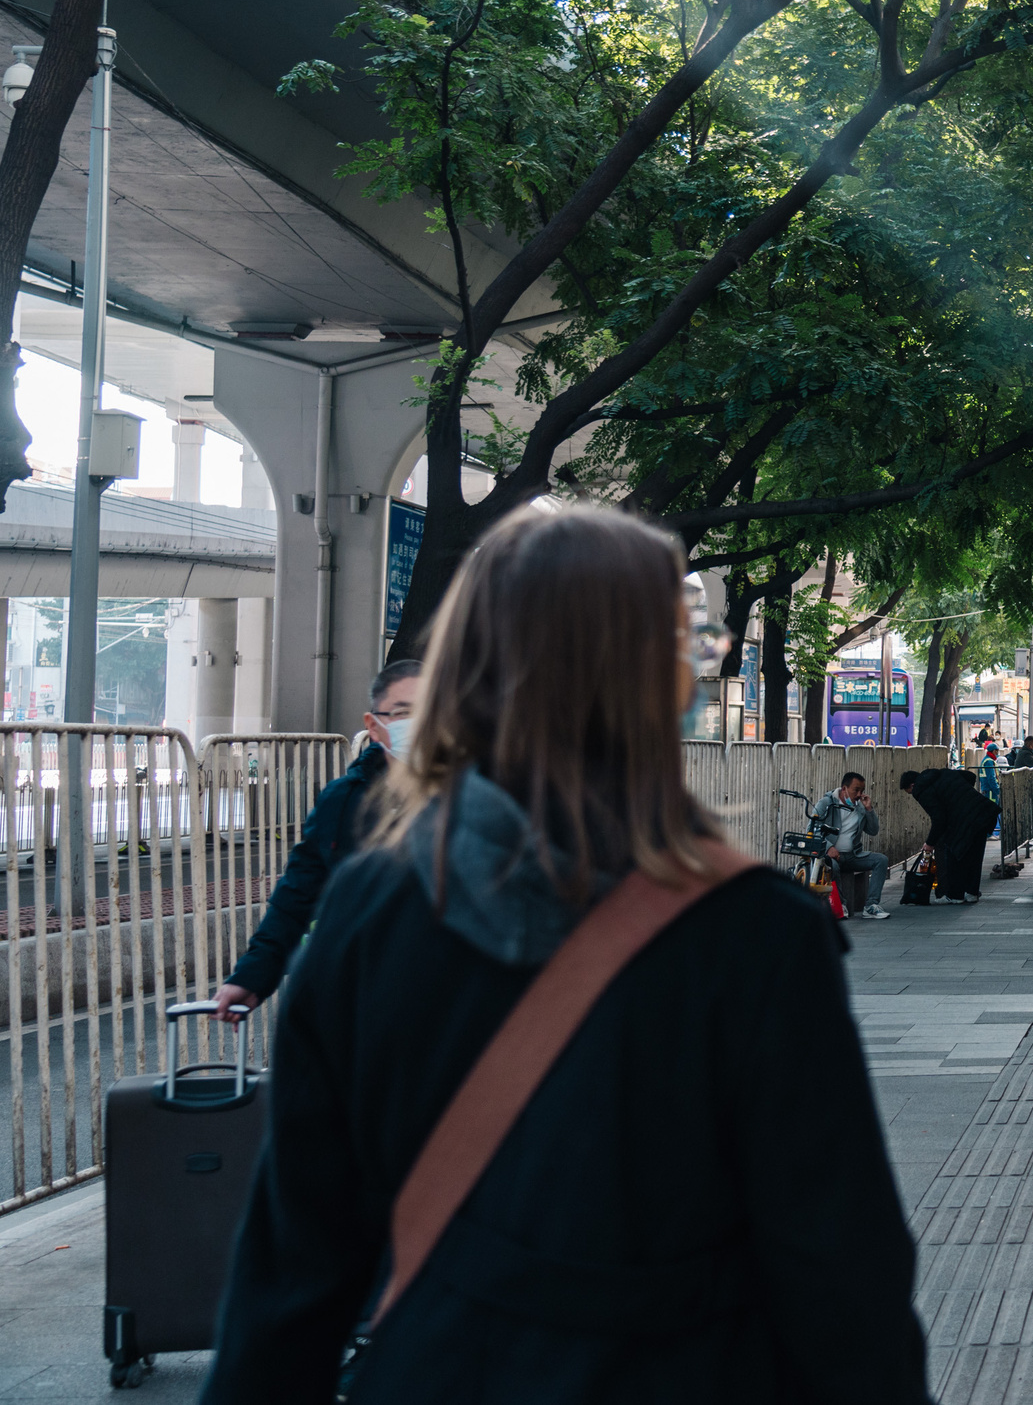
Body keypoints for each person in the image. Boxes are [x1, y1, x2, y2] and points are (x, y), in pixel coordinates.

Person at [203, 503, 928, 1403]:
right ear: (662, 685)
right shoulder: (753, 932)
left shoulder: (370, 907)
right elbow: (840, 1271)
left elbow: (293, 1261)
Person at [211, 659, 421, 1021]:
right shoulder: (344, 801)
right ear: (373, 726)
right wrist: (253, 975)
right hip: (361, 997)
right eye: (403, 713)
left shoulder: (479, 797)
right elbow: (299, 892)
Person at [900, 764, 989, 903]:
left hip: (963, 820)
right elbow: (970, 776)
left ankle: (955, 896)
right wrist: (960, 796)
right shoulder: (942, 774)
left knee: (954, 856)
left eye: (910, 792)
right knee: (974, 857)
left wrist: (930, 843)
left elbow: (939, 818)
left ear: (912, 785)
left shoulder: (922, 790)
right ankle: (972, 893)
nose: (913, 795)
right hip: (981, 813)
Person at [817, 770, 890, 920]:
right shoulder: (826, 803)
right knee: (834, 866)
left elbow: (873, 830)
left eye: (862, 791)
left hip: (853, 856)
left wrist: (869, 810)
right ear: (844, 789)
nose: (859, 794)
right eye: (856, 790)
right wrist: (828, 847)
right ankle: (841, 905)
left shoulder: (860, 807)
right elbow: (812, 829)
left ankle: (871, 905)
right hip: (830, 857)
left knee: (881, 860)